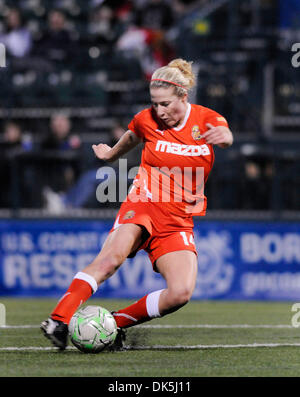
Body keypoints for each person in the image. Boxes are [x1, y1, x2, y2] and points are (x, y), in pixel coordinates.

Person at [41, 58, 233, 350]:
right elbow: (133, 135)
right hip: (142, 203)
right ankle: (58, 320)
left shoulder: (207, 119)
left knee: (180, 293)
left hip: (178, 218)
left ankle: (115, 324)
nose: (160, 110)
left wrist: (226, 138)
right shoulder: (147, 119)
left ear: (184, 95)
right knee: (110, 260)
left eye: (165, 104)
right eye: (155, 103)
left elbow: (226, 135)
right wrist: (111, 155)